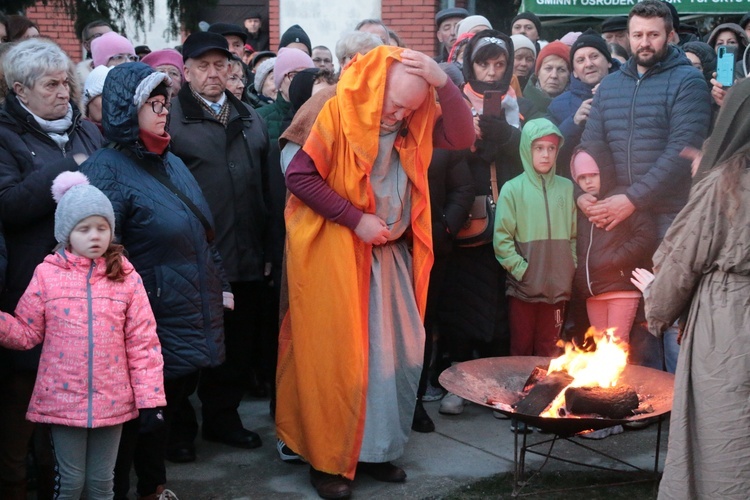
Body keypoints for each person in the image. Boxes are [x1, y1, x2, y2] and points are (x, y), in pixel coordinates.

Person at [277, 45, 474, 499]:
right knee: (337, 364)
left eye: (410, 107)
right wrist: (356, 219)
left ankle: (376, 452)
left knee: (391, 362)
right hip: (337, 257)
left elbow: (462, 136)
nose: (398, 114)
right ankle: (328, 462)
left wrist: (443, 84)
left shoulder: (414, 123)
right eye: (394, 104)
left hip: (389, 261)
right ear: (376, 87)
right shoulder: (335, 110)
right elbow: (300, 178)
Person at [80, 62, 227, 499]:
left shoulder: (171, 160)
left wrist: (220, 284)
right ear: (128, 108)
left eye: (166, 104)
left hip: (183, 309)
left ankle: (154, 488)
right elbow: (101, 258)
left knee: (162, 411)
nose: (164, 112)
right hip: (143, 322)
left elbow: (203, 230)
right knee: (138, 421)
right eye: (153, 104)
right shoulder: (105, 171)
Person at [0, 171, 166, 500]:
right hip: (63, 400)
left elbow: (143, 343)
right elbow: (27, 331)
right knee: (71, 483)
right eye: (84, 228)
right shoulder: (47, 275)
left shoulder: (127, 277)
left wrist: (151, 403)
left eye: (102, 227)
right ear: (66, 234)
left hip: (113, 400)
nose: (95, 236)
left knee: (103, 483)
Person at [580, 0, 711, 373]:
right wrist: (584, 194)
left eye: (653, 34)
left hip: (671, 213)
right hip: (620, 215)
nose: (645, 43)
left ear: (669, 35)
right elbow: (592, 145)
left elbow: (681, 153)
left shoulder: (688, 81)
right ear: (628, 35)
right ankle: (638, 396)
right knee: (630, 311)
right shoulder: (612, 85)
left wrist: (632, 199)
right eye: (637, 35)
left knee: (670, 308)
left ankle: (674, 405)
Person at [637, 77, 750, 500]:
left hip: (730, 325)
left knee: (726, 429)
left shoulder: (726, 185)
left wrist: (656, 301)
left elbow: (684, 258)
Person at [0, 38, 103, 500]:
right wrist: (66, 169)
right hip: (29, 285)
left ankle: (60, 483)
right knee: (23, 397)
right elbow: (9, 205)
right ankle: (16, 485)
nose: (64, 93)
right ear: (20, 91)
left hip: (87, 286)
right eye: (51, 85)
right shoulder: (4, 134)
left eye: (67, 82)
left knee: (68, 395)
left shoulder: (87, 131)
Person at [169, 30, 270, 459]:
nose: (214, 73)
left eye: (220, 65)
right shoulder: (170, 121)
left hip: (245, 255)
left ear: (232, 69)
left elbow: (268, 189)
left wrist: (268, 250)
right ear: (186, 71)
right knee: (187, 348)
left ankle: (222, 420)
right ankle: (177, 430)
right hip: (193, 260)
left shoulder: (250, 116)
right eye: (203, 66)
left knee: (235, 346)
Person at [437, 30, 529, 416]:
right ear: (468, 63)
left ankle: (498, 385)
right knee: (461, 301)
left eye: (499, 64)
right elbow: (440, 158)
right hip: (466, 216)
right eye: (483, 63)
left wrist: (510, 137)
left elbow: (535, 157)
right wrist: (467, 139)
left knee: (499, 305)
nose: (491, 72)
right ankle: (459, 381)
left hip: (509, 219)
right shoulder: (452, 104)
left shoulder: (519, 106)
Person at [570, 143, 656, 345]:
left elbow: (646, 233)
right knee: (601, 349)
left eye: (593, 174)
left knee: (617, 347)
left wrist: (617, 259)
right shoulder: (583, 206)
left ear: (604, 171)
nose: (588, 181)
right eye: (582, 177)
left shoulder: (622, 198)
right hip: (593, 291)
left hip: (621, 288)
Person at [547, 29, 618, 178]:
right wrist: (573, 122)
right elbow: (550, 157)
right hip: (578, 190)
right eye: (580, 60)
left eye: (594, 56)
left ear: (609, 62)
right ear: (574, 72)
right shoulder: (558, 106)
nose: (588, 64)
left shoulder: (630, 90)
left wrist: (613, 90)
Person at [523, 41, 570, 114]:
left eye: (561, 70)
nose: (554, 75)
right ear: (538, 72)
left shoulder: (578, 107)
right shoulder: (520, 104)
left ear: (569, 75)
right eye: (548, 68)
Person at [81, 65, 112, 131]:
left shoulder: (124, 135)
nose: (109, 103)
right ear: (89, 100)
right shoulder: (75, 133)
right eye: (103, 96)